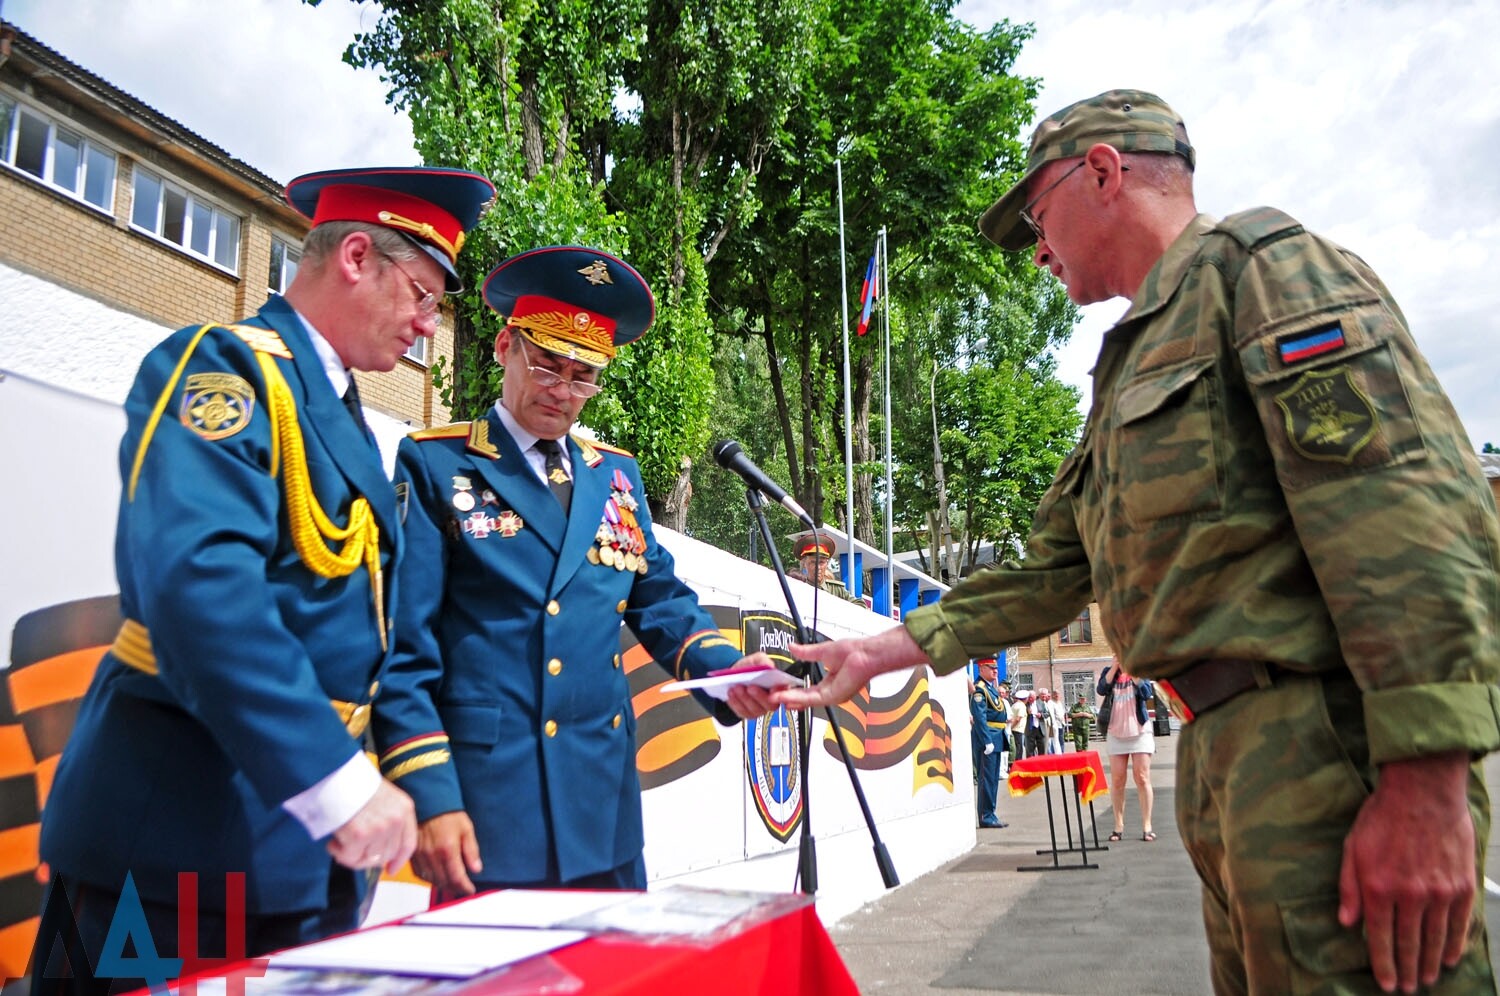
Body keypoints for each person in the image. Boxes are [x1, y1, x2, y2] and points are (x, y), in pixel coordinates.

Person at [763, 89, 1500, 995]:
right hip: (1229, 760)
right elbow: (1052, 568)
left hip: (1324, 750)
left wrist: (1426, 782)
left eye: (1039, 214)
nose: (1037, 248)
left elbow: (1403, 512)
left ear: (1104, 172)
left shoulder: (1263, 272)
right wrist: (874, 651)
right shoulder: (1138, 358)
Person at [33, 166, 495, 989]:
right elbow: (199, 589)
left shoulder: (343, 413)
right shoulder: (225, 371)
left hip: (296, 866)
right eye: (422, 295)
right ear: (357, 255)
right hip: (175, 851)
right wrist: (337, 785)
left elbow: (374, 645)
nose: (428, 327)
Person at [371, 245, 763, 899]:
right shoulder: (437, 466)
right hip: (488, 810)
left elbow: (657, 594)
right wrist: (431, 795)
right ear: (504, 346)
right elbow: (405, 653)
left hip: (601, 807)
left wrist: (726, 672)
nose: (562, 392)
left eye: (584, 376)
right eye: (547, 365)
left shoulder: (614, 474)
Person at [1097, 666, 1156, 843]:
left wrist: (1132, 669)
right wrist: (1115, 666)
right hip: (1115, 731)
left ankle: (1147, 826)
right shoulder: (1109, 671)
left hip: (1139, 731)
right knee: (1117, 779)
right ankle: (1118, 826)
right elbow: (1101, 689)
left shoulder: (1139, 670)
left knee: (1142, 777)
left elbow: (1146, 693)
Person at [971, 659, 1009, 828]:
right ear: (981, 667)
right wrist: (986, 740)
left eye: (995, 668)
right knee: (986, 779)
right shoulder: (979, 689)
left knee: (993, 779)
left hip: (997, 736)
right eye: (991, 668)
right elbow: (980, 717)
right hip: (988, 738)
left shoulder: (990, 689)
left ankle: (991, 814)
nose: (995, 671)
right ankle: (986, 816)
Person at [788, 535, 857, 601]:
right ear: (804, 563)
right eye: (813, 562)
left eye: (821, 562)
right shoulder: (799, 590)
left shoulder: (836, 590)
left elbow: (860, 605)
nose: (818, 567)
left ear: (827, 564)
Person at [1007, 688, 1030, 761]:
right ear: (1025, 699)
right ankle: (1017, 765)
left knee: (1016, 748)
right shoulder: (1022, 706)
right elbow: (1018, 718)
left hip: (1014, 729)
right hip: (1018, 730)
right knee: (1018, 749)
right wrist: (1011, 728)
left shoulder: (1015, 705)